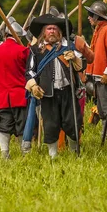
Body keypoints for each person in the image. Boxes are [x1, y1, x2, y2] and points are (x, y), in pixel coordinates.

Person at [25, 14, 84, 158]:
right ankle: (53, 156)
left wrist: (75, 58)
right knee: (50, 125)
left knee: (73, 123)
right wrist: (33, 86)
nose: (51, 31)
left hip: (68, 92)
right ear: (44, 32)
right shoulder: (35, 50)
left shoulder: (69, 47)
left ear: (60, 32)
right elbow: (30, 71)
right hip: (48, 94)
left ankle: (74, 153)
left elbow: (81, 67)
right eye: (48, 28)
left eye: (54, 28)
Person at [0, 21, 30, 159]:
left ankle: (5, 154)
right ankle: (25, 154)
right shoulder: (23, 51)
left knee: (3, 126)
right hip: (20, 96)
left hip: (1, 97)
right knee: (22, 127)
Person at [84, 0, 107, 138]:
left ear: (96, 16)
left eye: (90, 14)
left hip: (105, 76)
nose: (88, 17)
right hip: (98, 76)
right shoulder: (99, 30)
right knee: (102, 108)